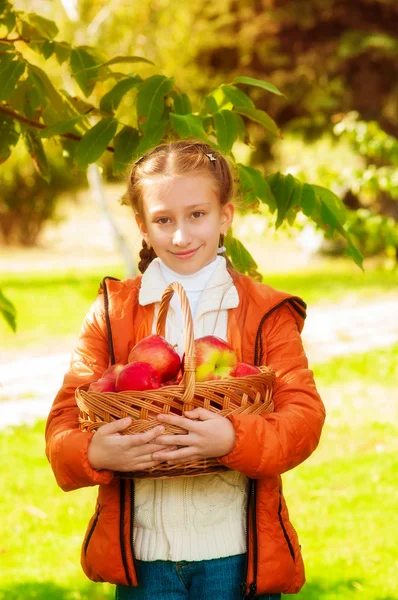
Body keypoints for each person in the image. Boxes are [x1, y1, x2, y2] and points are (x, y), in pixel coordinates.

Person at [45, 139, 326, 600]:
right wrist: (95, 452)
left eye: (197, 215)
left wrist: (234, 439)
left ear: (225, 216)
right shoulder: (113, 311)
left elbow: (304, 417)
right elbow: (61, 427)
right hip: (142, 557)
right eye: (163, 220)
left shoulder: (264, 312)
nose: (180, 236)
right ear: (142, 225)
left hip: (235, 556)